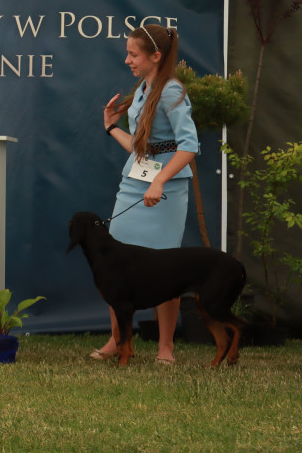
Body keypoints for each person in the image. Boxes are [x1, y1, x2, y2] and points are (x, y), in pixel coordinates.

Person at [92, 24, 199, 365]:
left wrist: (160, 181)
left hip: (164, 190)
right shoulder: (143, 89)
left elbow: (189, 146)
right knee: (116, 265)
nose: (127, 60)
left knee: (165, 268)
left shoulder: (171, 92)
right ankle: (118, 339)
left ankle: (165, 347)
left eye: (133, 54)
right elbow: (141, 150)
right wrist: (112, 128)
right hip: (134, 185)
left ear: (155, 56)